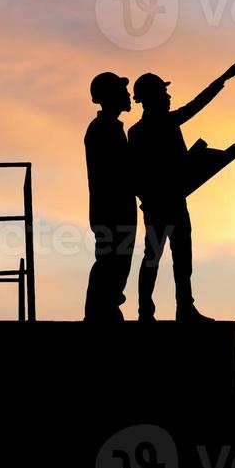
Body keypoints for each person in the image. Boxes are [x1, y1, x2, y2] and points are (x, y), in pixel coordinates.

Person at [128, 59, 235, 322]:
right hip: (162, 205)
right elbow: (134, 173)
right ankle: (151, 311)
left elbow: (198, 104)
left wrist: (223, 78)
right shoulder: (152, 128)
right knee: (156, 258)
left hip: (171, 203)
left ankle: (179, 308)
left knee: (177, 257)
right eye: (164, 92)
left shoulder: (146, 129)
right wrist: (223, 78)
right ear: (151, 98)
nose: (168, 96)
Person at [84, 72, 139, 322]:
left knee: (116, 263)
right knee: (110, 262)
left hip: (117, 208)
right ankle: (99, 313)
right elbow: (117, 171)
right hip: (111, 210)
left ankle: (105, 309)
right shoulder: (102, 130)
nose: (127, 94)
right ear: (109, 96)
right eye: (121, 89)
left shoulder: (111, 129)